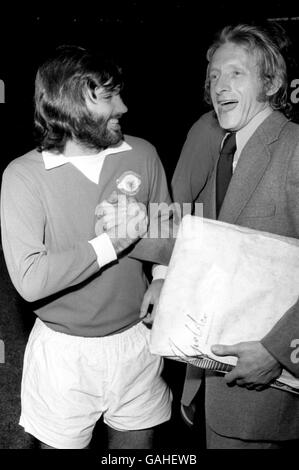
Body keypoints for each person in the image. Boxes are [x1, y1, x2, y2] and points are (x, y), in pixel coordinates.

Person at [0, 45, 172, 450]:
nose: (124, 107)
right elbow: (30, 280)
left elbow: (170, 231)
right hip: (63, 351)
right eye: (109, 96)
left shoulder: (143, 153)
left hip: (138, 340)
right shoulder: (23, 177)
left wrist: (163, 278)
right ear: (69, 104)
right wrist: (112, 243)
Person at [171, 23, 299, 448]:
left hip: (266, 395)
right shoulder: (231, 148)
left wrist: (279, 352)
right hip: (219, 382)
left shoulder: (294, 149)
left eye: (235, 74)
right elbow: (208, 239)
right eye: (213, 77)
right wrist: (157, 276)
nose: (219, 86)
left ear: (272, 82)